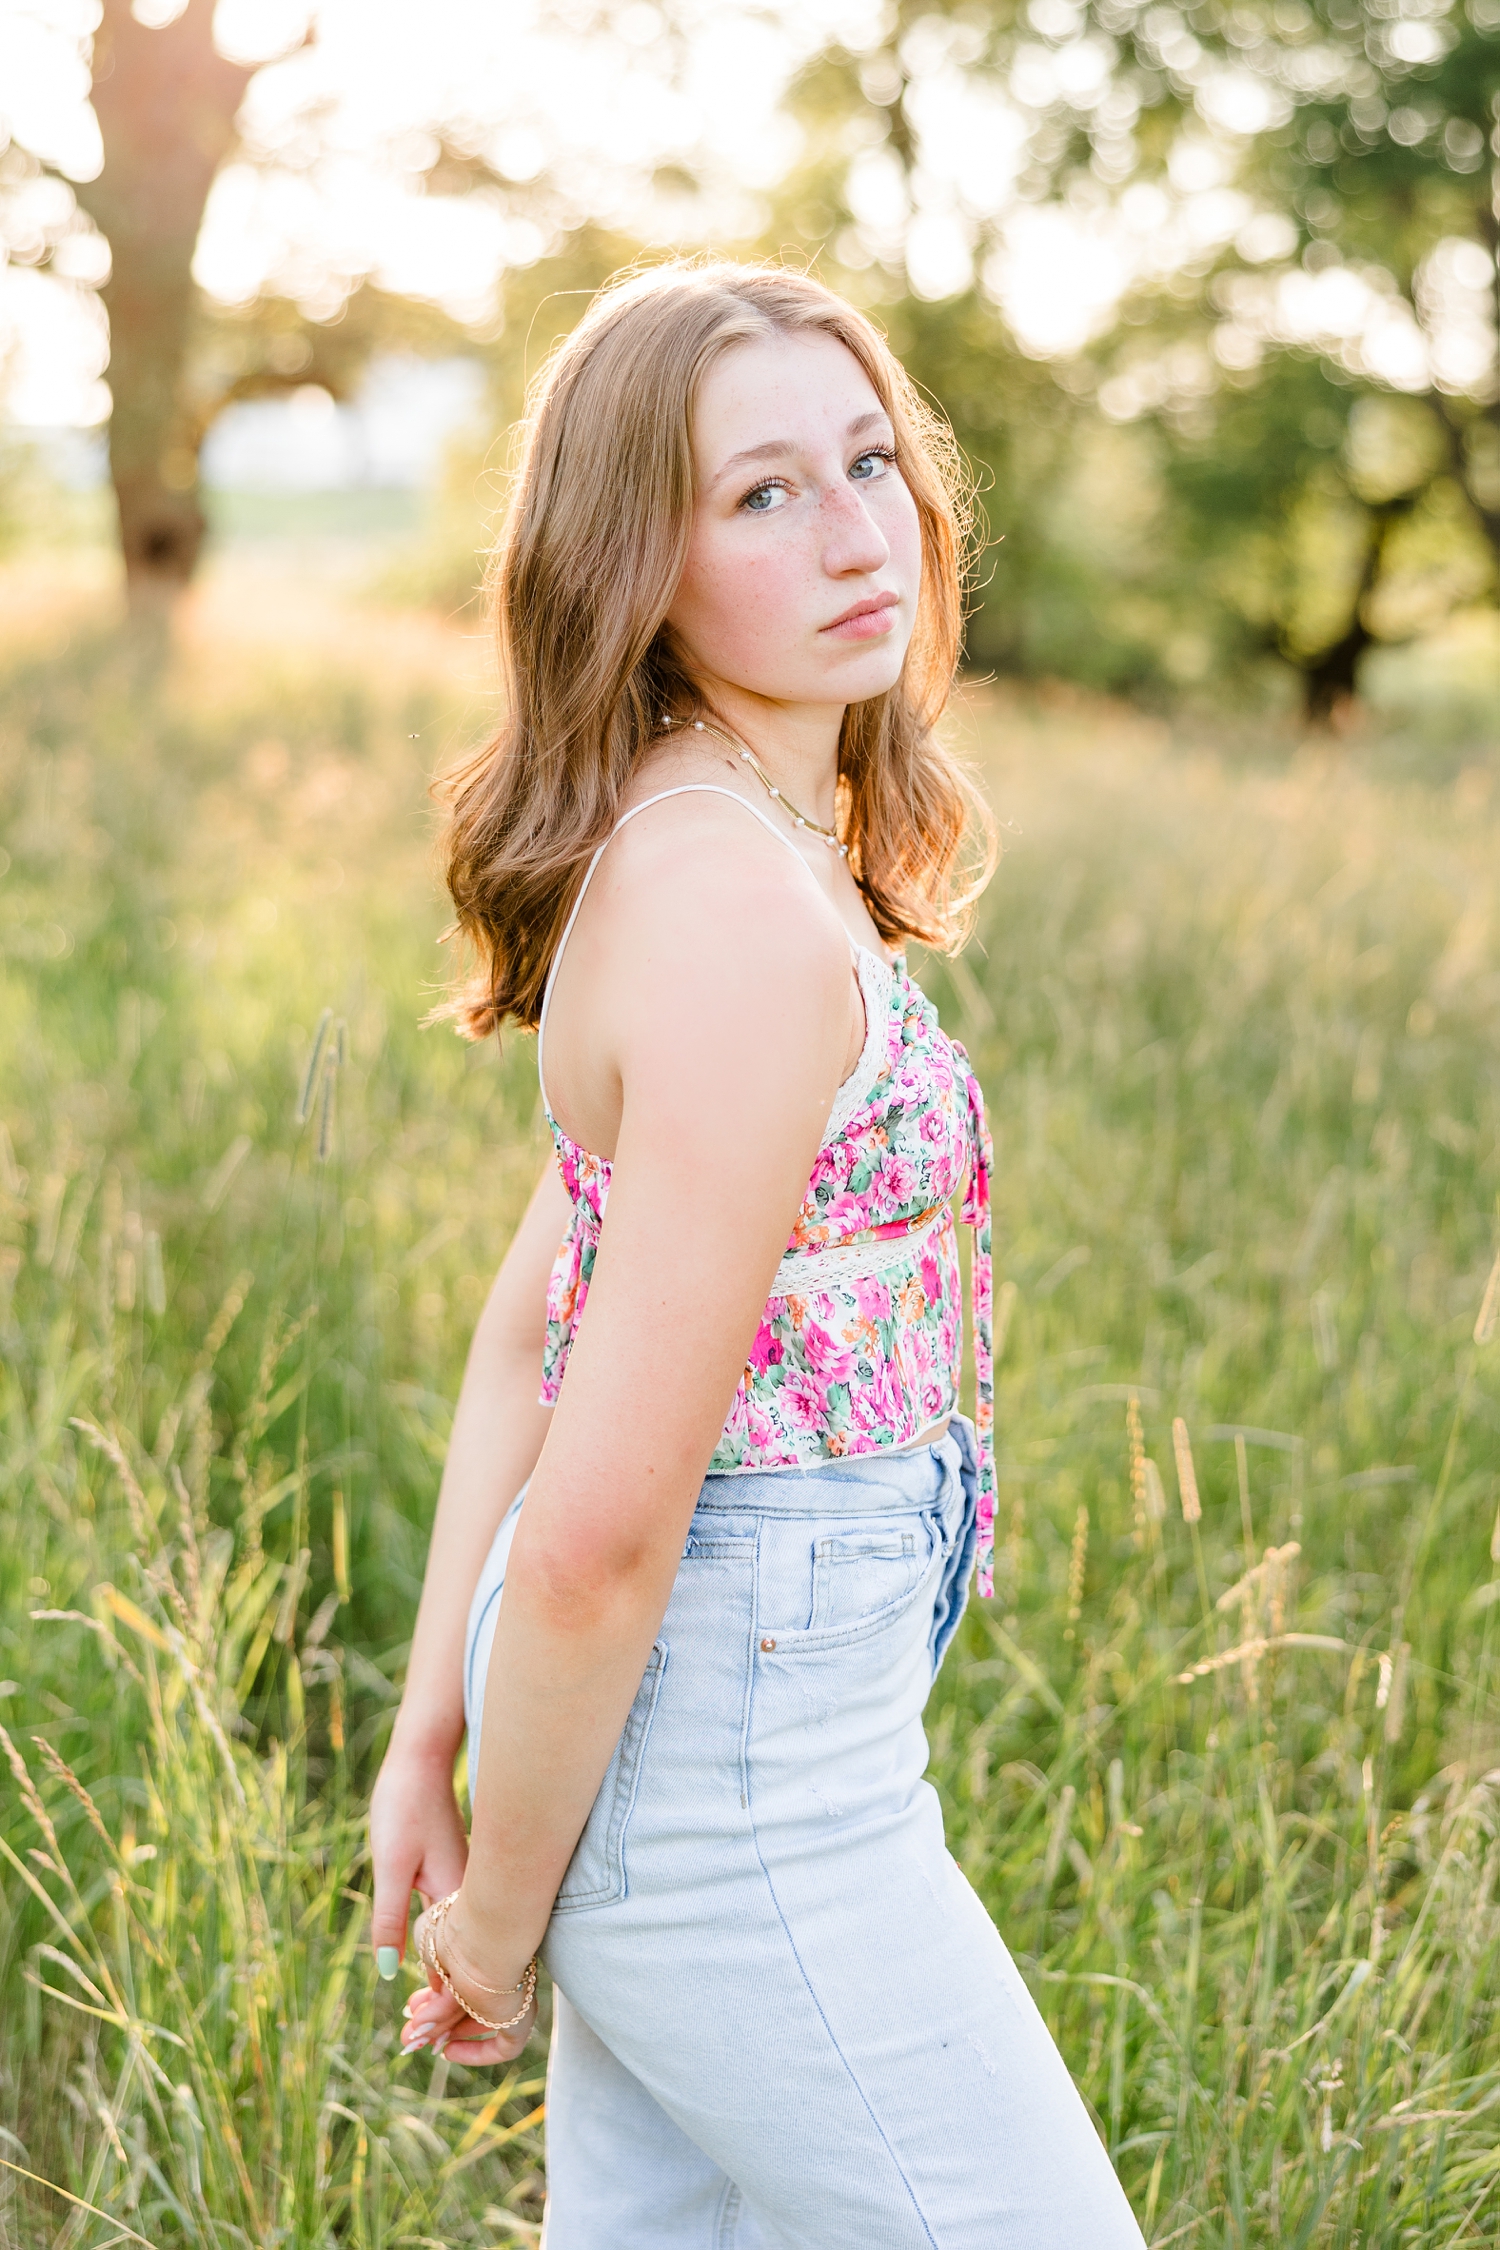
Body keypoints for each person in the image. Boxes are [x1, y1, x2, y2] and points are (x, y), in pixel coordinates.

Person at [368, 260, 1146, 2250]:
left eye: (868, 460)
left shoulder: (735, 843)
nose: (857, 528)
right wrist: (498, 1910)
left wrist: (435, 1730)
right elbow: (606, 1529)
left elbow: (534, 1318)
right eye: (761, 495)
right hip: (729, 1783)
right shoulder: (730, 910)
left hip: (714, 1739)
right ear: (638, 561)